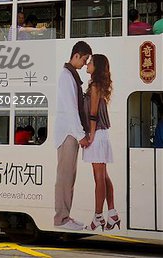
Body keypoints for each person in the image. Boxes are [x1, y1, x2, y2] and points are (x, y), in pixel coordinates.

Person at [54, 41, 92, 230]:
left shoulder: (70, 75)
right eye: (84, 59)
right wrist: (80, 135)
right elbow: (71, 109)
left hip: (70, 133)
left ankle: (65, 216)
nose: (85, 64)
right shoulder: (66, 76)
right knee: (65, 177)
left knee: (69, 177)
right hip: (68, 133)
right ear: (76, 55)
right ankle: (61, 218)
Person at [83, 54, 120, 231]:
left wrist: (90, 135)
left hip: (96, 132)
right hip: (100, 133)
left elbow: (93, 113)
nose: (86, 65)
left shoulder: (95, 86)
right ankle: (112, 214)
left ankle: (98, 216)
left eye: (89, 63)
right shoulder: (98, 85)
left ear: (96, 66)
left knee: (99, 177)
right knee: (104, 176)